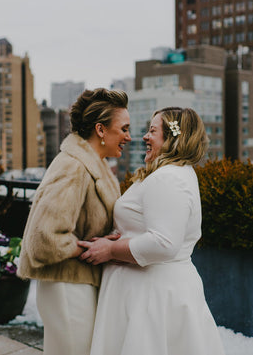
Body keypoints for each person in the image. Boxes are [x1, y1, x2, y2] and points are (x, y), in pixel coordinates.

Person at [78, 107, 226, 355]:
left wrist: (111, 249)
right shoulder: (173, 174)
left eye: (153, 131)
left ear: (172, 137)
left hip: (152, 298)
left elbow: (163, 243)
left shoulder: (168, 178)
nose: (145, 137)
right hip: (148, 292)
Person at [17, 88, 131, 355]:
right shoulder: (73, 166)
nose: (128, 136)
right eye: (123, 128)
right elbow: (44, 238)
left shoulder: (95, 165)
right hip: (66, 287)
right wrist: (95, 249)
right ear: (101, 130)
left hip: (79, 284)